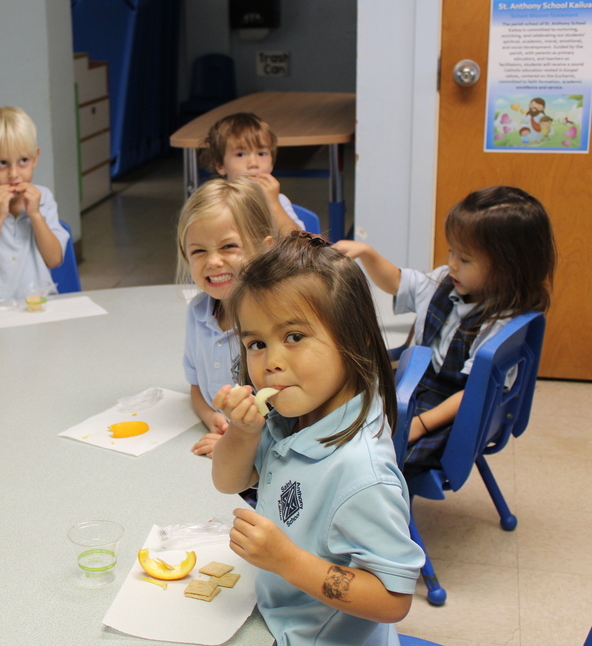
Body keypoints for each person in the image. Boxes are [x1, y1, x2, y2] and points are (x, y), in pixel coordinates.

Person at [211, 233, 423, 645]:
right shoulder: (293, 416)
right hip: (276, 616)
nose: (271, 362)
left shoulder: (361, 473)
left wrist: (288, 561)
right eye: (257, 343)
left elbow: (394, 599)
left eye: (294, 337)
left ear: (354, 338)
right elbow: (228, 481)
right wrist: (243, 430)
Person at [334, 186, 555, 475]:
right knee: (339, 410)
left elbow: (475, 393)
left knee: (367, 447)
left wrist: (420, 424)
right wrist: (367, 253)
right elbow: (398, 283)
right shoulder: (444, 280)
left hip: (454, 413)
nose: (451, 263)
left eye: (465, 259)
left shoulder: (500, 325)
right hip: (418, 387)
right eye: (452, 251)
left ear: (508, 268)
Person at [177, 177, 276, 458]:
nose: (213, 262)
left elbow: (291, 417)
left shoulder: (274, 321)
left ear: (264, 249)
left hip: (267, 461)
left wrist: (235, 443)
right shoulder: (197, 312)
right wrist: (211, 417)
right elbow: (196, 386)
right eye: (198, 251)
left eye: (229, 247)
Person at [0, 106, 70, 308]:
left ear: (35, 158)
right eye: (2, 163)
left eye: (23, 161)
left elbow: (54, 260)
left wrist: (35, 214)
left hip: (39, 308)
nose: (14, 174)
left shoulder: (43, 198)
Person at [199, 112, 305, 235]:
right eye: (241, 154)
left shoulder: (279, 201)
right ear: (220, 165)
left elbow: (299, 243)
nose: (253, 163)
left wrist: (274, 204)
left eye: (261, 154)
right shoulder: (213, 203)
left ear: (272, 163)